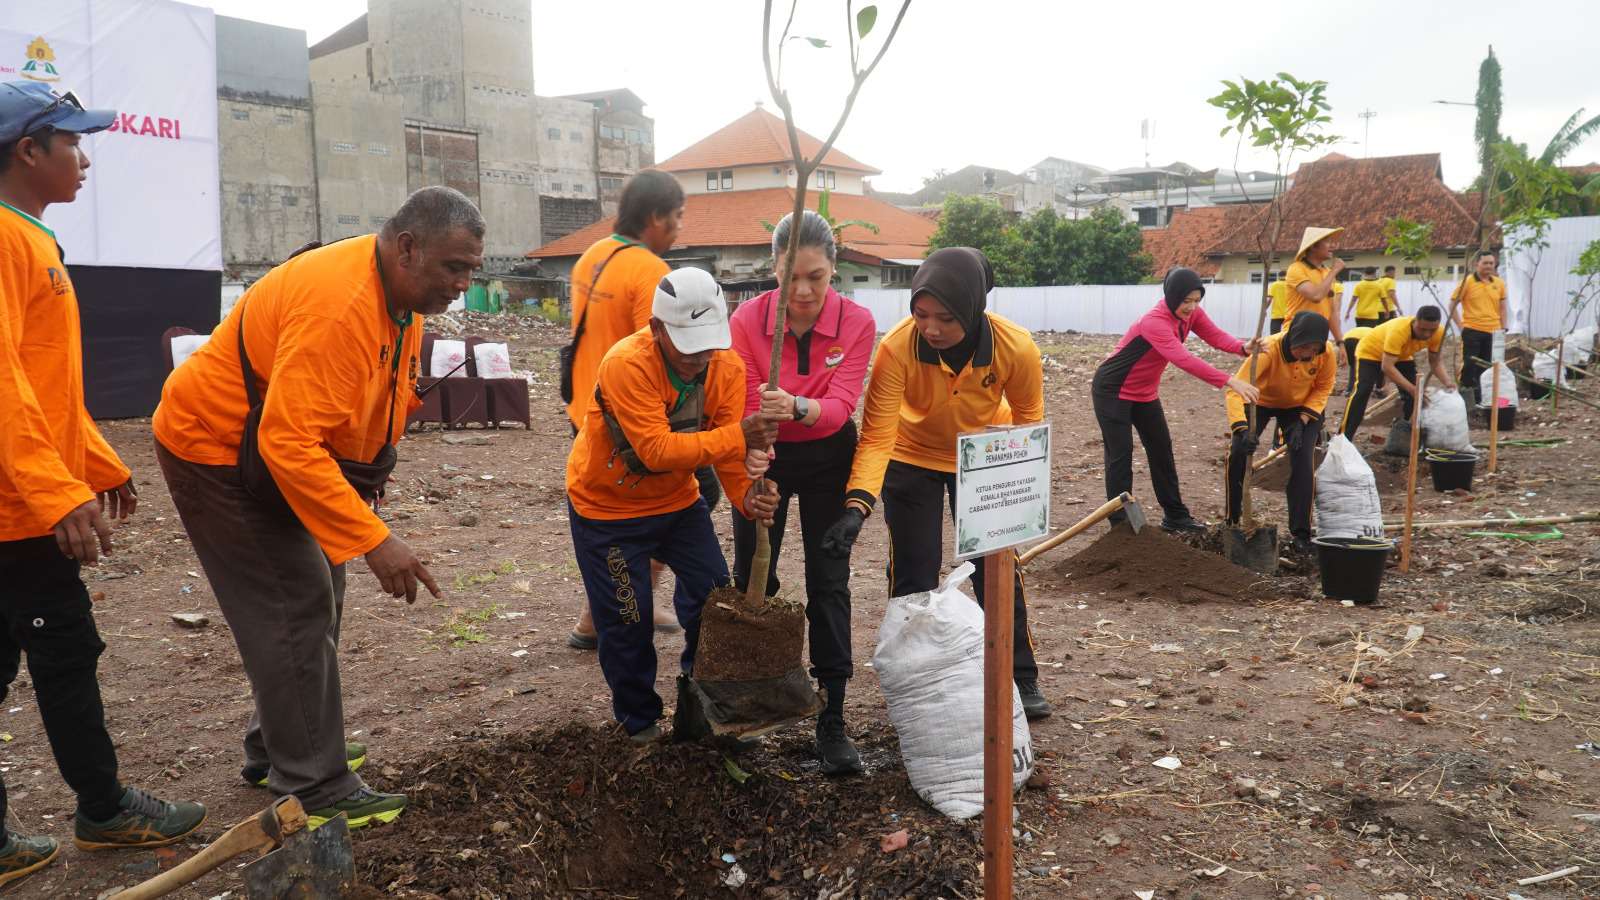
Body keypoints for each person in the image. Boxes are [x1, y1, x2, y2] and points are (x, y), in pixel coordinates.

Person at [154, 186, 484, 828]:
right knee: (293, 598)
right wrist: (373, 537)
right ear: (408, 248)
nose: (463, 285)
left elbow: (371, 402)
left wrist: (364, 487)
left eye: (473, 268)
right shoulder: (341, 306)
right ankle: (315, 782)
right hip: (217, 451)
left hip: (278, 453)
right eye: (454, 267)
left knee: (317, 586)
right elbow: (286, 440)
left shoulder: (400, 302)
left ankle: (279, 744)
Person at [0, 81, 206, 883]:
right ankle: (104, 810)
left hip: (24, 492)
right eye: (73, 142)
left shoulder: (31, 238)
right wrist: (57, 492)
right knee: (65, 652)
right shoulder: (7, 241)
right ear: (29, 149)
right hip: (16, 510)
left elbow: (44, 383)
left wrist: (93, 457)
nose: (85, 158)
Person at [819, 247, 1052, 720]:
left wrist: (1021, 499)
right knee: (913, 573)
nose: (931, 328)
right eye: (921, 315)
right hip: (913, 455)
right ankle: (916, 672)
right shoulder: (897, 348)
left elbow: (1030, 424)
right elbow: (878, 435)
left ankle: (1018, 674)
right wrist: (856, 505)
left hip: (986, 457)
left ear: (972, 309)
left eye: (945, 317)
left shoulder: (1016, 347)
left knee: (996, 567)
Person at [567, 267, 780, 743]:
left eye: (707, 343)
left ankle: (701, 706)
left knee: (714, 600)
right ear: (658, 328)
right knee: (627, 620)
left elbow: (726, 452)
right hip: (607, 513)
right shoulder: (627, 364)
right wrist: (742, 434)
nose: (698, 357)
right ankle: (638, 723)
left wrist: (748, 498)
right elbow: (656, 451)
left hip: (678, 506)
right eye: (687, 344)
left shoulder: (727, 367)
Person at [729, 211, 876, 775]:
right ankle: (751, 702)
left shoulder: (857, 322)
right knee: (754, 577)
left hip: (827, 458)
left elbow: (841, 408)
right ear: (774, 268)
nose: (803, 290)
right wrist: (753, 450)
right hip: (764, 455)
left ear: (834, 268)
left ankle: (831, 715)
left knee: (829, 581)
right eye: (791, 276)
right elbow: (742, 398)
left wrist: (795, 406)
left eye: (816, 275)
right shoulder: (747, 319)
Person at [563, 170, 689, 649]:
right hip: (624, 420)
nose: (678, 229)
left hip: (584, 409)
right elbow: (658, 351)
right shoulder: (650, 272)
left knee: (615, 513)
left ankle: (607, 609)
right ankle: (608, 610)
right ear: (655, 217)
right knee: (675, 503)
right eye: (676, 218)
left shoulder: (592, 256)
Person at [1090, 267, 1262, 535]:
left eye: (1196, 300)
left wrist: (1242, 348)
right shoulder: (1153, 322)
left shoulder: (1191, 315)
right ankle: (1121, 526)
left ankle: (1175, 516)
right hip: (1112, 390)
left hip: (1144, 392)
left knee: (1161, 450)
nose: (1191, 307)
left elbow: (1214, 335)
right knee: (1121, 455)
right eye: (1186, 301)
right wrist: (1229, 380)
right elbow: (1184, 359)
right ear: (1172, 296)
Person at [1224, 312, 1335, 554]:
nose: (1308, 354)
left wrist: (1303, 420)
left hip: (1300, 407)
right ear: (1293, 338)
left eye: (1314, 349)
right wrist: (1241, 428)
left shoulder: (1326, 354)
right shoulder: (1268, 349)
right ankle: (1233, 521)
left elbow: (1324, 387)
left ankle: (1301, 534)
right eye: (1303, 348)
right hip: (1260, 401)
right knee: (1238, 454)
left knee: (1303, 462)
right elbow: (1235, 390)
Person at [1339, 306, 1455, 439]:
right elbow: (1387, 367)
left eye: (1431, 330)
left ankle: (1404, 437)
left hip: (1401, 356)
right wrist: (1412, 389)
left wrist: (1448, 383)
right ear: (1415, 321)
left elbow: (1435, 362)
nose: (1427, 334)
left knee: (1414, 397)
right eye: (1422, 329)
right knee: (1363, 390)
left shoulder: (1439, 333)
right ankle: (1344, 437)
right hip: (1370, 352)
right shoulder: (1400, 330)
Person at [1449, 251, 1508, 408]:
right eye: (1485, 263)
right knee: (1469, 365)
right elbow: (1452, 304)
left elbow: (1502, 307)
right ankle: (1466, 400)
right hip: (1472, 330)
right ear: (1477, 264)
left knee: (1488, 366)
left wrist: (1504, 326)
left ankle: (1482, 398)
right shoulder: (1467, 282)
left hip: (1494, 331)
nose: (1489, 266)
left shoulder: (1499, 283)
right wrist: (1461, 326)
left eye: (1491, 263)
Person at [1285, 227, 1347, 345]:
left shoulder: (1327, 273)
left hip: (1319, 337)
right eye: (1327, 242)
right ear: (1313, 246)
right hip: (1296, 335)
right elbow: (1316, 296)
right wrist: (1334, 271)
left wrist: (1340, 342)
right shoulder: (1296, 269)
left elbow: (1331, 312)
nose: (1332, 246)